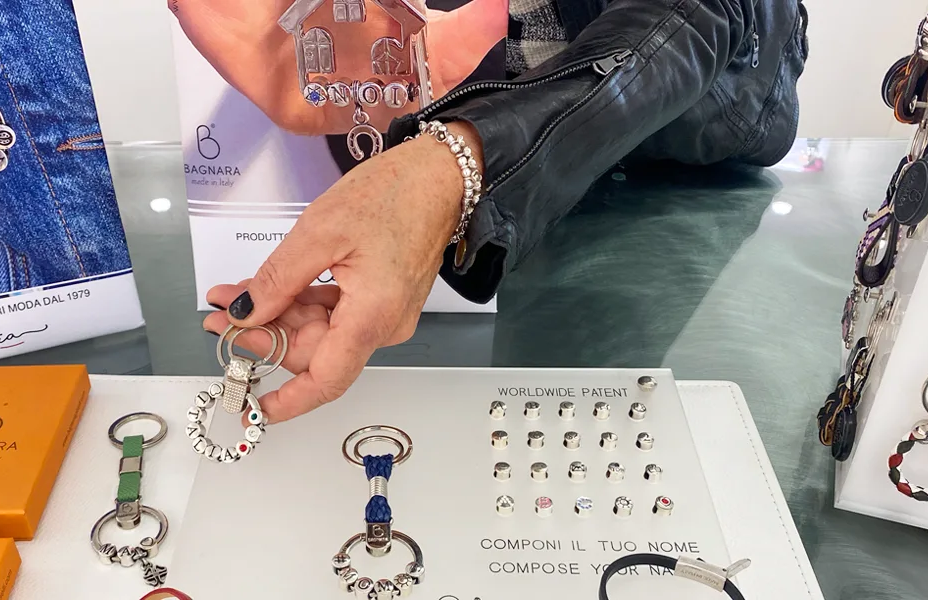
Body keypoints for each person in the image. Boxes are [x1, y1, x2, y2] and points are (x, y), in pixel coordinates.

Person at [201, 0, 810, 423]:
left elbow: (698, 17)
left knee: (587, 408)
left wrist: (455, 163)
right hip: (462, 164)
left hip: (680, 162)